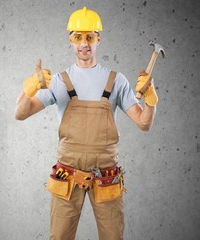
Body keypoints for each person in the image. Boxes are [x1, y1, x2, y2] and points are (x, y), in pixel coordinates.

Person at [14, 6, 157, 240]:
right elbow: (20, 113)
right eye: (78, 37)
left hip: (106, 177)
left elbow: (143, 123)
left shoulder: (116, 81)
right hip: (67, 176)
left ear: (98, 39)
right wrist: (29, 87)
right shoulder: (59, 81)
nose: (84, 43)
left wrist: (151, 99)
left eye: (89, 37)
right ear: (70, 40)